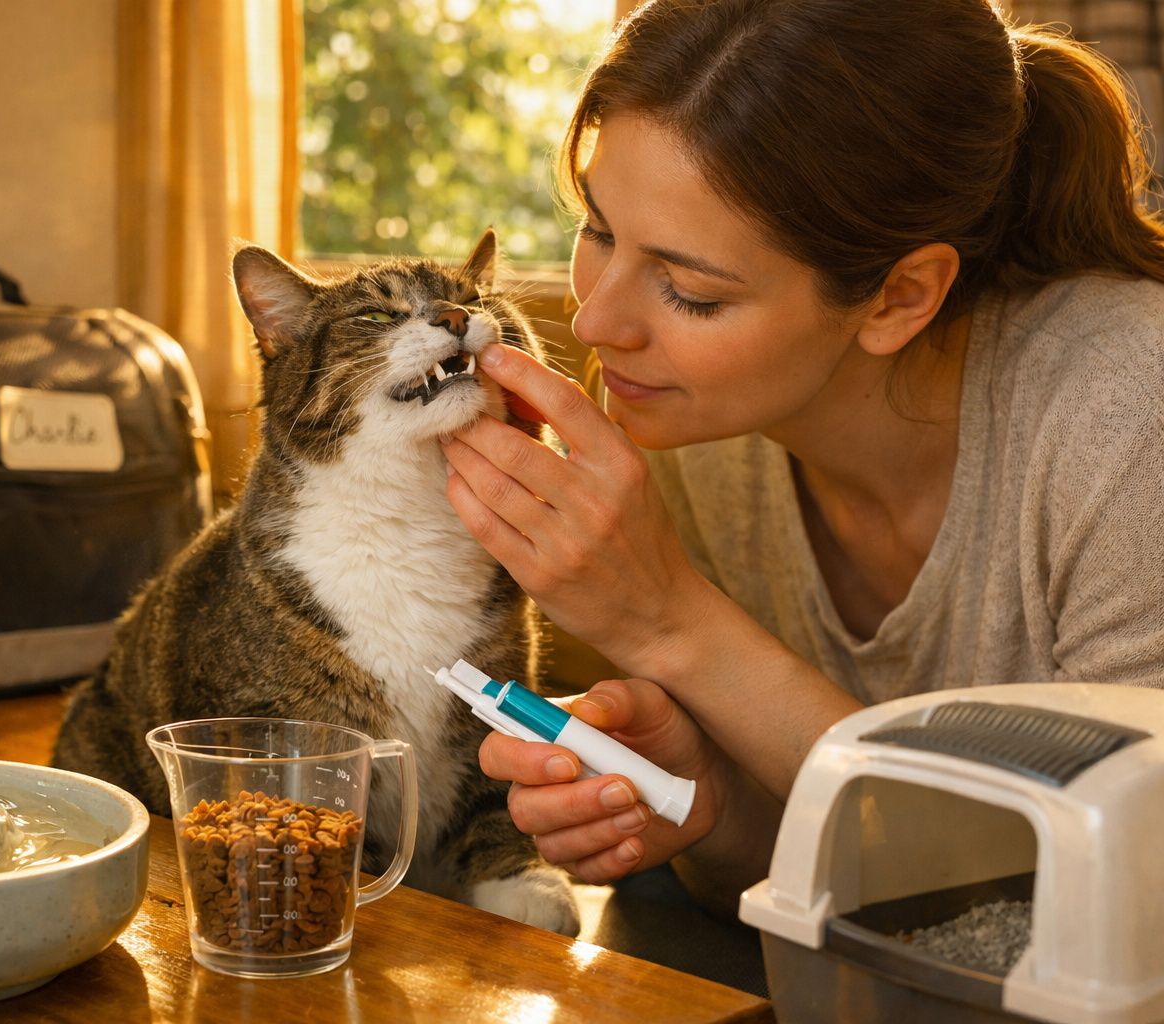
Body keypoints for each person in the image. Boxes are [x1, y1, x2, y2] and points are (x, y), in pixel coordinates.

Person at [442, 0, 1164, 917]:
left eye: (690, 290)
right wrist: (712, 808)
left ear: (900, 296)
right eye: (598, 230)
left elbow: (1117, 904)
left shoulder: (1131, 409)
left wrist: (670, 620)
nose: (595, 322)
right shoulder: (692, 431)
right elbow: (872, 882)